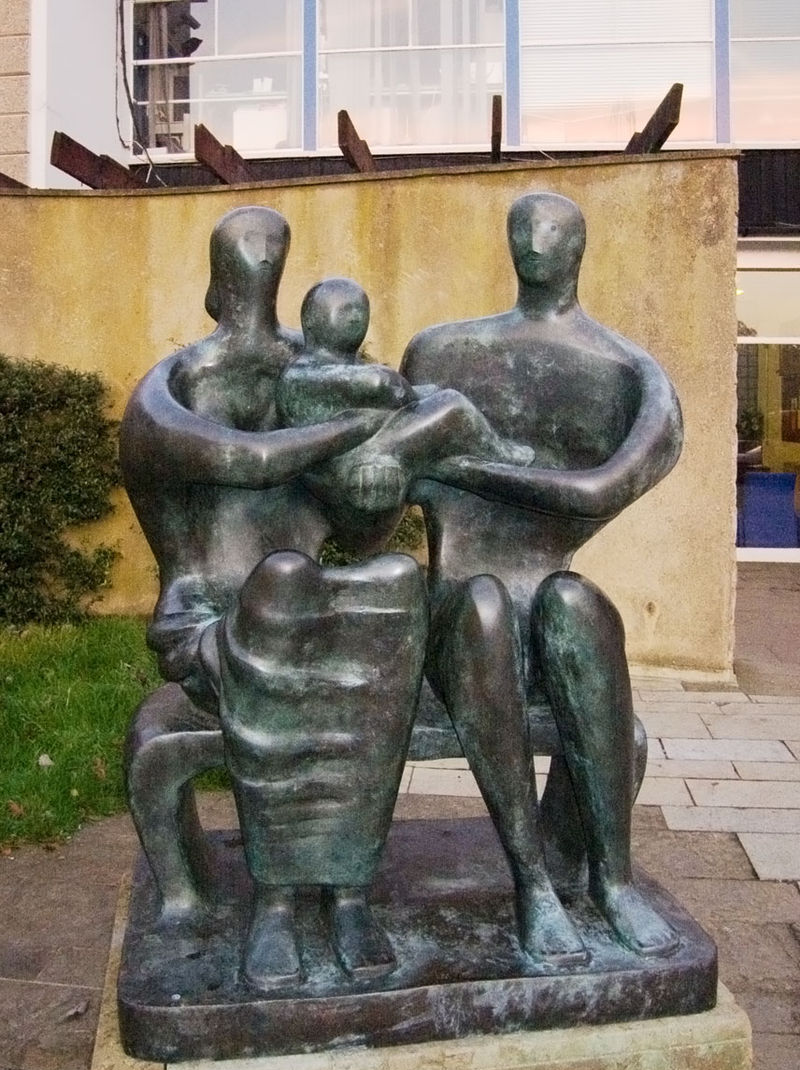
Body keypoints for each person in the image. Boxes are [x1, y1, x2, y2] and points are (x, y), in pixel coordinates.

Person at [120, 206, 407, 988]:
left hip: (307, 612)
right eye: (244, 261)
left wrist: (380, 484)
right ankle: (277, 902)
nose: (259, 278)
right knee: (282, 581)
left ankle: (350, 891)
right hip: (208, 621)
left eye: (271, 262)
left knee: (396, 584)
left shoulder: (317, 375)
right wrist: (353, 427)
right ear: (216, 281)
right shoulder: (169, 388)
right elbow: (240, 460)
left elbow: (367, 532)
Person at [399, 191, 684, 959]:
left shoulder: (628, 370)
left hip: (545, 586)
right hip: (459, 605)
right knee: (485, 609)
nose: (534, 241)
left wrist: (469, 466)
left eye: (551, 229)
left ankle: (612, 881)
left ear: (578, 246)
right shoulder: (440, 353)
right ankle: (533, 886)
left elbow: (601, 491)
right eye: (522, 228)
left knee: (577, 606)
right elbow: (395, 471)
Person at [275, 275, 534, 540]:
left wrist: (418, 397)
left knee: (442, 406)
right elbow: (383, 385)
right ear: (311, 319)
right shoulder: (303, 372)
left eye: (360, 310)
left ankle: (475, 461)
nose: (355, 317)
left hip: (371, 453)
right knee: (451, 406)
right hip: (348, 468)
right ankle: (500, 452)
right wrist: (415, 397)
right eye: (345, 310)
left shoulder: (340, 368)